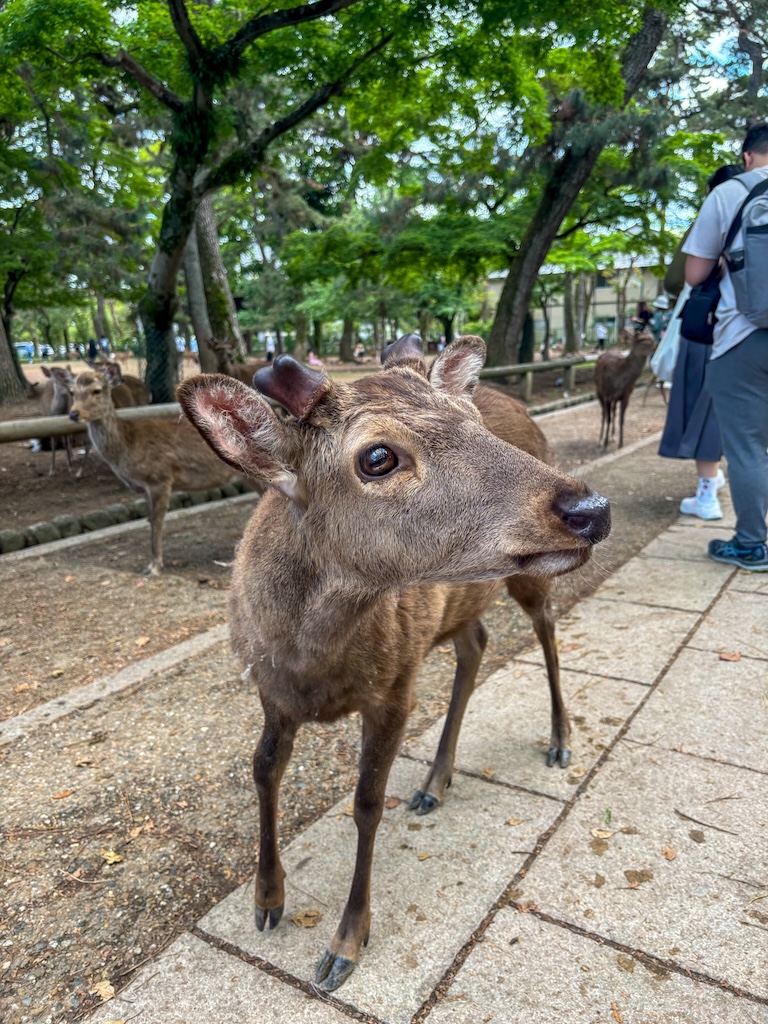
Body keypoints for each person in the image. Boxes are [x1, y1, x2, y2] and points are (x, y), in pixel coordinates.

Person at [683, 124, 768, 570]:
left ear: (748, 155)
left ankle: (752, 544)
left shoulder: (730, 193)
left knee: (748, 447)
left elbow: (695, 275)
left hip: (742, 338)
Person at [659, 164, 743, 521]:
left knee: (701, 406)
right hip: (755, 331)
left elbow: (679, 278)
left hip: (711, 328)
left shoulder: (716, 212)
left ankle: (707, 492)